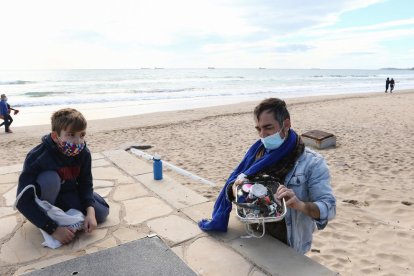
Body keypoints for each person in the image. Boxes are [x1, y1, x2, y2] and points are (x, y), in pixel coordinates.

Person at [199, 98, 336, 254]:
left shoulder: (312, 163)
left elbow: (329, 208)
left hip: (289, 244)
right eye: (258, 129)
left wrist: (300, 205)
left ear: (286, 124)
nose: (263, 136)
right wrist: (236, 189)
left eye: (268, 128)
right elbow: (235, 190)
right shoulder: (256, 155)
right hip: (253, 236)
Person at [16, 108, 109, 245]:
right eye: (70, 135)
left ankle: (70, 211)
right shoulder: (37, 157)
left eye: (82, 135)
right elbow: (22, 201)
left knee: (101, 213)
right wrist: (53, 229)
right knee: (50, 178)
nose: (78, 141)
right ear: (55, 136)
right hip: (47, 198)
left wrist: (90, 211)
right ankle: (49, 216)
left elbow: (85, 182)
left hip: (68, 192)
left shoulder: (84, 153)